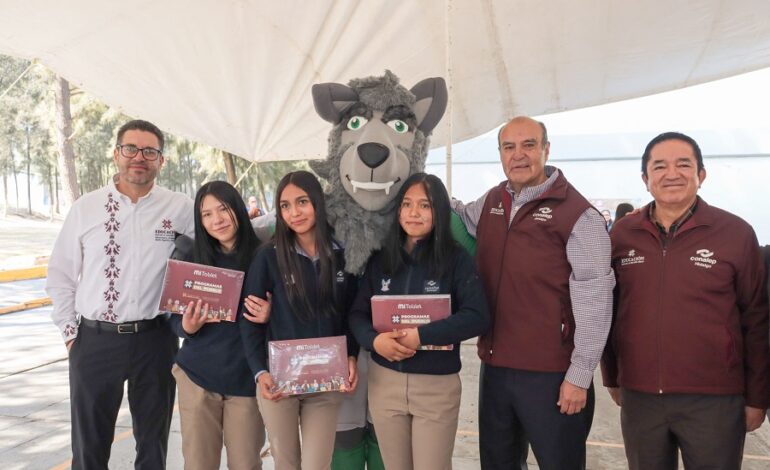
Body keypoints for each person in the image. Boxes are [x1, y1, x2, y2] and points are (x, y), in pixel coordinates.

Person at [452, 116, 614, 470]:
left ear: (546, 150)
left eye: (529, 145)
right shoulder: (493, 201)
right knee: (498, 463)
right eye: (509, 147)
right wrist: (422, 189)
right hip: (496, 368)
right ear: (500, 153)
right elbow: (459, 215)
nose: (518, 155)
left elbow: (596, 302)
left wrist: (579, 375)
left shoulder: (578, 215)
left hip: (552, 374)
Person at [601, 132, 770, 469]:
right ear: (645, 178)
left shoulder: (735, 233)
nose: (672, 174)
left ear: (701, 175)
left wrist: (757, 396)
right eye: (659, 166)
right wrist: (612, 376)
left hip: (714, 399)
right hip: (641, 397)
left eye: (683, 165)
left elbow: (756, 319)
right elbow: (609, 309)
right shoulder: (622, 234)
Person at [46, 120, 195, 469]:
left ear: (161, 160)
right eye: (130, 149)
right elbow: (61, 275)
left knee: (153, 446)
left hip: (156, 340)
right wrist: (71, 336)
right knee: (89, 449)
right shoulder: (87, 207)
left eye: (149, 151)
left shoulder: (180, 208)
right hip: (95, 342)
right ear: (116, 154)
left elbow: (212, 254)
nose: (139, 157)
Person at [349, 172, 489, 470]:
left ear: (439, 211)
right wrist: (375, 341)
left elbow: (477, 316)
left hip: (435, 387)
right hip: (385, 383)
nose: (414, 213)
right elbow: (357, 315)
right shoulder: (381, 260)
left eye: (425, 205)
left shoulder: (457, 259)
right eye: (407, 204)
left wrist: (421, 336)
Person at [240, 170, 359, 470]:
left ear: (317, 202)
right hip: (279, 382)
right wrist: (260, 372)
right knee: (287, 464)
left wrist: (352, 355)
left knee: (317, 464)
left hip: (326, 381)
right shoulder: (268, 257)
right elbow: (250, 321)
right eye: (285, 206)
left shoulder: (342, 255)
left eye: (302, 202)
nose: (294, 212)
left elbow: (352, 314)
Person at [168, 181, 270, 469]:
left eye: (223, 209)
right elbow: (173, 320)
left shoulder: (266, 255)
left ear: (237, 208)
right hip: (198, 378)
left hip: (247, 380)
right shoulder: (191, 258)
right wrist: (187, 325)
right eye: (207, 214)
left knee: (246, 463)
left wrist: (270, 315)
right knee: (198, 463)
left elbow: (290, 314)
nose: (217, 220)